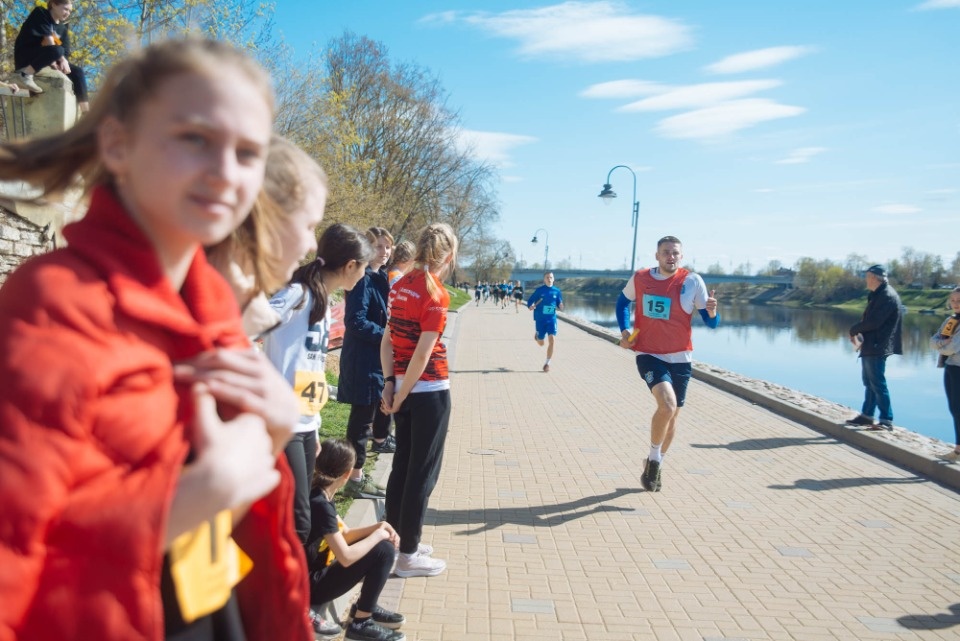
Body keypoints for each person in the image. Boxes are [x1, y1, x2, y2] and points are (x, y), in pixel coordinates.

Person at [0, 38, 312, 641]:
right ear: (117, 144)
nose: (226, 173)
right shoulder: (54, 302)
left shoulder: (211, 301)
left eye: (248, 152)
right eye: (195, 138)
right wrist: (197, 495)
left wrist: (270, 433)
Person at [261, 224, 374, 638]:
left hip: (307, 424)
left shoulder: (323, 298)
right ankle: (287, 606)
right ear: (350, 266)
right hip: (283, 424)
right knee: (298, 521)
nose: (363, 275)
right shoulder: (297, 295)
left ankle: (296, 600)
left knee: (302, 519)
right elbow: (242, 328)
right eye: (363, 268)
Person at [380, 222, 458, 578]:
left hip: (403, 388)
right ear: (449, 256)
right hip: (429, 392)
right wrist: (402, 393)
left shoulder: (400, 285)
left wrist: (391, 386)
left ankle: (397, 540)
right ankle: (408, 554)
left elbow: (388, 340)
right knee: (421, 474)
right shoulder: (436, 293)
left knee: (402, 468)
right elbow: (423, 354)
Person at [615, 236, 719, 492]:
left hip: (681, 357)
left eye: (675, 253)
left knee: (672, 418)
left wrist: (713, 311)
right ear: (657, 255)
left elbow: (711, 323)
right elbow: (621, 303)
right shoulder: (640, 278)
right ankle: (654, 457)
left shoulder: (692, 281)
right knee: (667, 405)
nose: (670, 257)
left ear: (680, 256)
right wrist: (624, 332)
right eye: (665, 253)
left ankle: (654, 462)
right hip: (649, 353)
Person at [206, 135, 329, 339]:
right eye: (309, 226)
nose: (313, 246)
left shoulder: (239, 314)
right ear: (267, 219)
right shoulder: (183, 310)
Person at [307, 439, 406, 641]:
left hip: (314, 575)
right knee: (383, 550)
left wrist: (379, 526)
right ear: (346, 474)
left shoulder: (321, 492)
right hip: (311, 585)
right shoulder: (320, 504)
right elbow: (345, 557)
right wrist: (379, 536)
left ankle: (364, 608)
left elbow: (345, 534)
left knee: (381, 546)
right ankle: (361, 622)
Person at [339, 227, 395, 499]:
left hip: (375, 359)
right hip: (363, 360)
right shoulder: (362, 278)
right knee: (361, 422)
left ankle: (356, 473)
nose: (384, 251)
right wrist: (387, 336)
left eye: (388, 246)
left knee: (367, 418)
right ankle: (355, 478)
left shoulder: (380, 277)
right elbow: (355, 321)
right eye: (379, 246)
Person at [845, 264, 903, 431]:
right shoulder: (877, 294)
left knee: (877, 382)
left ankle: (886, 420)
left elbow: (875, 322)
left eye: (867, 277)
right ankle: (867, 416)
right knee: (869, 382)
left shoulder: (887, 295)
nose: (865, 280)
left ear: (874, 278)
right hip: (871, 344)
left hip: (878, 345)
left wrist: (854, 329)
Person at [13, 0, 89, 111]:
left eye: (70, 11)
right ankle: (25, 75)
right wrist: (59, 59)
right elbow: (49, 39)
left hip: (50, 58)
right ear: (54, 4)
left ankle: (86, 112)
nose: (68, 13)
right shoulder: (40, 13)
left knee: (78, 72)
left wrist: (61, 63)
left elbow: (65, 52)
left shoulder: (63, 30)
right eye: (65, 9)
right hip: (27, 57)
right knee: (57, 51)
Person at [931, 287, 960, 461]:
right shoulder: (951, 321)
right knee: (954, 409)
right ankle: (957, 450)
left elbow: (951, 348)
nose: (955, 304)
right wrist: (942, 342)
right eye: (953, 300)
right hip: (950, 368)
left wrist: (942, 343)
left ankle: (957, 451)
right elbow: (931, 342)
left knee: (958, 410)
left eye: (959, 301)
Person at [527, 271, 564, 372]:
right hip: (540, 319)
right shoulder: (539, 290)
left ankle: (547, 363)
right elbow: (530, 301)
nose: (549, 279)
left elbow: (559, 301)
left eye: (551, 277)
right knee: (541, 343)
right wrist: (530, 305)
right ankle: (538, 336)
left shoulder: (557, 291)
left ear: (554, 279)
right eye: (547, 277)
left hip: (552, 319)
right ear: (544, 279)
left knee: (552, 340)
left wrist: (560, 305)